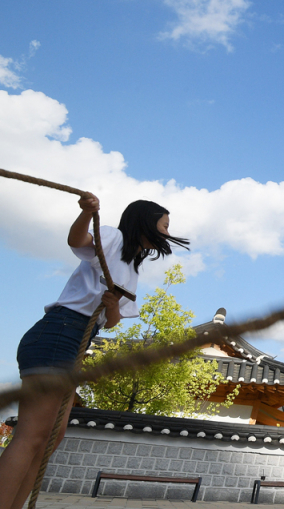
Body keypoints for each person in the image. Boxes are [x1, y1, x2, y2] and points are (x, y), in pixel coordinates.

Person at [0, 195, 188, 508]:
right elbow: (77, 240)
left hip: (79, 342)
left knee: (49, 440)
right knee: (32, 435)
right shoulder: (113, 237)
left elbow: (112, 321)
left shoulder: (132, 267)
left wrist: (112, 305)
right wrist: (87, 213)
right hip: (59, 332)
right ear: (145, 221)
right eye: (165, 225)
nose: (168, 233)